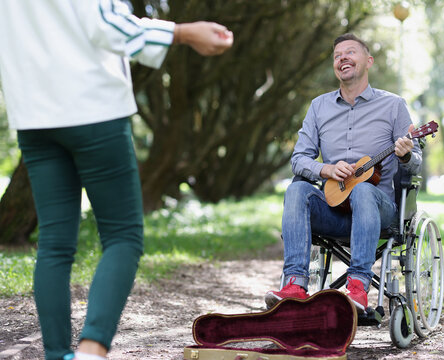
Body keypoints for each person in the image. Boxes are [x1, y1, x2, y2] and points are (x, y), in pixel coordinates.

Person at [0, 1, 233, 360]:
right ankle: (92, 350)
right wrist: (183, 33)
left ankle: (58, 354)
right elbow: (105, 25)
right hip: (92, 107)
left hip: (33, 114)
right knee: (123, 236)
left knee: (54, 244)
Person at [265, 33, 421, 313]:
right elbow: (298, 159)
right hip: (334, 211)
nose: (342, 58)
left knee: (362, 189)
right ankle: (295, 286)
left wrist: (407, 153)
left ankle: (358, 288)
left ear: (368, 61)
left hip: (378, 211)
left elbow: (415, 162)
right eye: (337, 55)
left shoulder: (393, 105)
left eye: (350, 52)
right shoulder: (319, 107)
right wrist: (326, 169)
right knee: (297, 190)